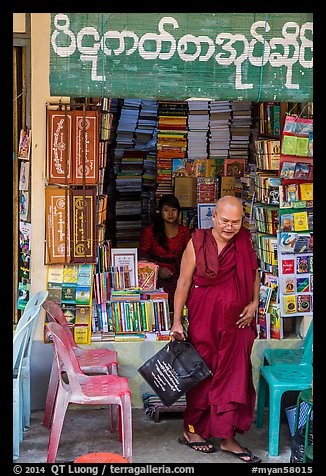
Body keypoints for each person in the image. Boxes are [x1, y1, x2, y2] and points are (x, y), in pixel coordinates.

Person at [170, 195, 261, 463]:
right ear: (214, 217)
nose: (230, 227)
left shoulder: (244, 241)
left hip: (238, 323)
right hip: (204, 319)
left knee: (235, 375)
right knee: (202, 373)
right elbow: (183, 283)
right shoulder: (197, 242)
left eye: (236, 222)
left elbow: (254, 273)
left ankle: (227, 436)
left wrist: (254, 303)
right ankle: (193, 431)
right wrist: (177, 321)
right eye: (225, 221)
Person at [139, 194, 191, 312]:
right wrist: (157, 270)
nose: (170, 214)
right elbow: (141, 257)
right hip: (153, 278)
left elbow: (189, 256)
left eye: (174, 210)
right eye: (166, 210)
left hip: (177, 278)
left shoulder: (184, 232)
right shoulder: (150, 231)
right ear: (160, 211)